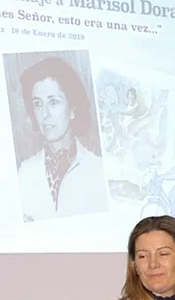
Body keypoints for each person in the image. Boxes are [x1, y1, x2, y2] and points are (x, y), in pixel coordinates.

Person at [15, 56, 109, 221]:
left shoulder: (98, 170)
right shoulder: (25, 172)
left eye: (54, 102)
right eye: (38, 104)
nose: (45, 114)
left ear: (72, 109)